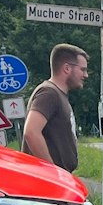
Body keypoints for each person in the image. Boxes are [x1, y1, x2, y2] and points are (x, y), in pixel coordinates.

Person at [23, 43, 89, 171]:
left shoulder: (58, 94)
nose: (85, 75)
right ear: (67, 68)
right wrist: (53, 172)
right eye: (83, 69)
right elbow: (31, 132)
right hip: (47, 183)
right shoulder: (49, 93)